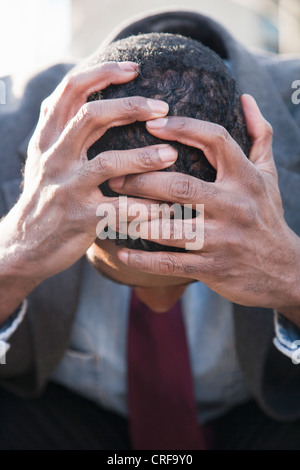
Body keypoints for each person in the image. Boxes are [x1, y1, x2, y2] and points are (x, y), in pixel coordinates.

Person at [0, 8, 300, 450]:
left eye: (191, 273)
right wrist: (13, 257)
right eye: (113, 268)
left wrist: (290, 277)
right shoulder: (10, 130)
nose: (158, 303)